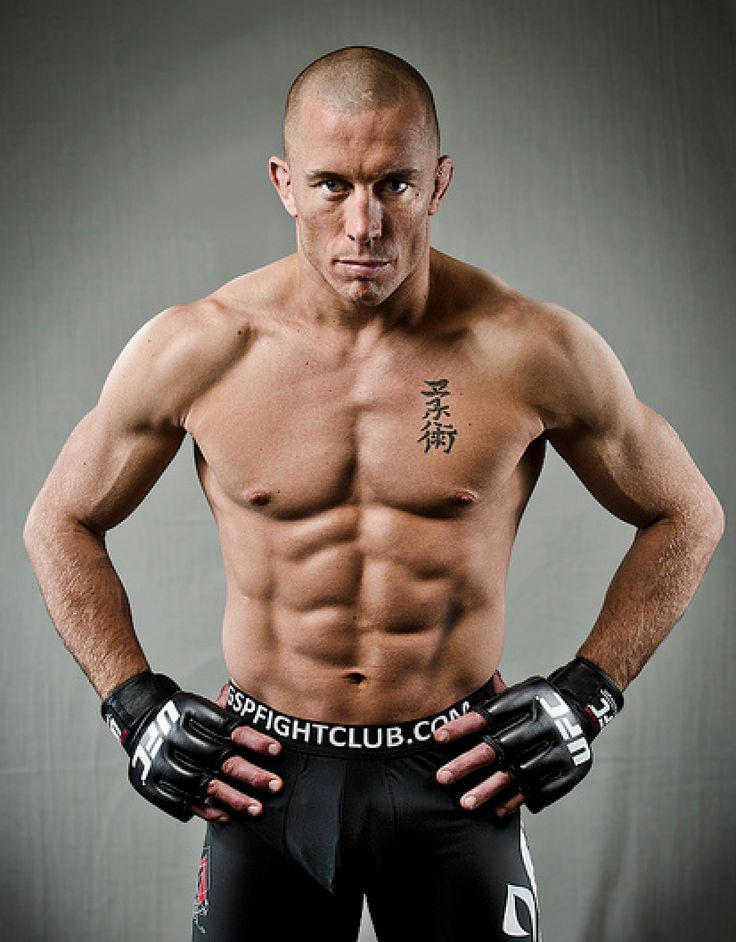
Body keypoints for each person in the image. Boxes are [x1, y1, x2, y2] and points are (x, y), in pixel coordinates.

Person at [23, 46, 724, 942]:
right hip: (265, 776)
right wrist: (133, 705)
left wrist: (590, 690)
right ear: (284, 183)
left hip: (457, 772)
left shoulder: (528, 348)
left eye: (395, 184)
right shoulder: (201, 347)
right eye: (331, 185)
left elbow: (688, 513)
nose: (364, 225)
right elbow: (59, 521)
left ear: (439, 183)